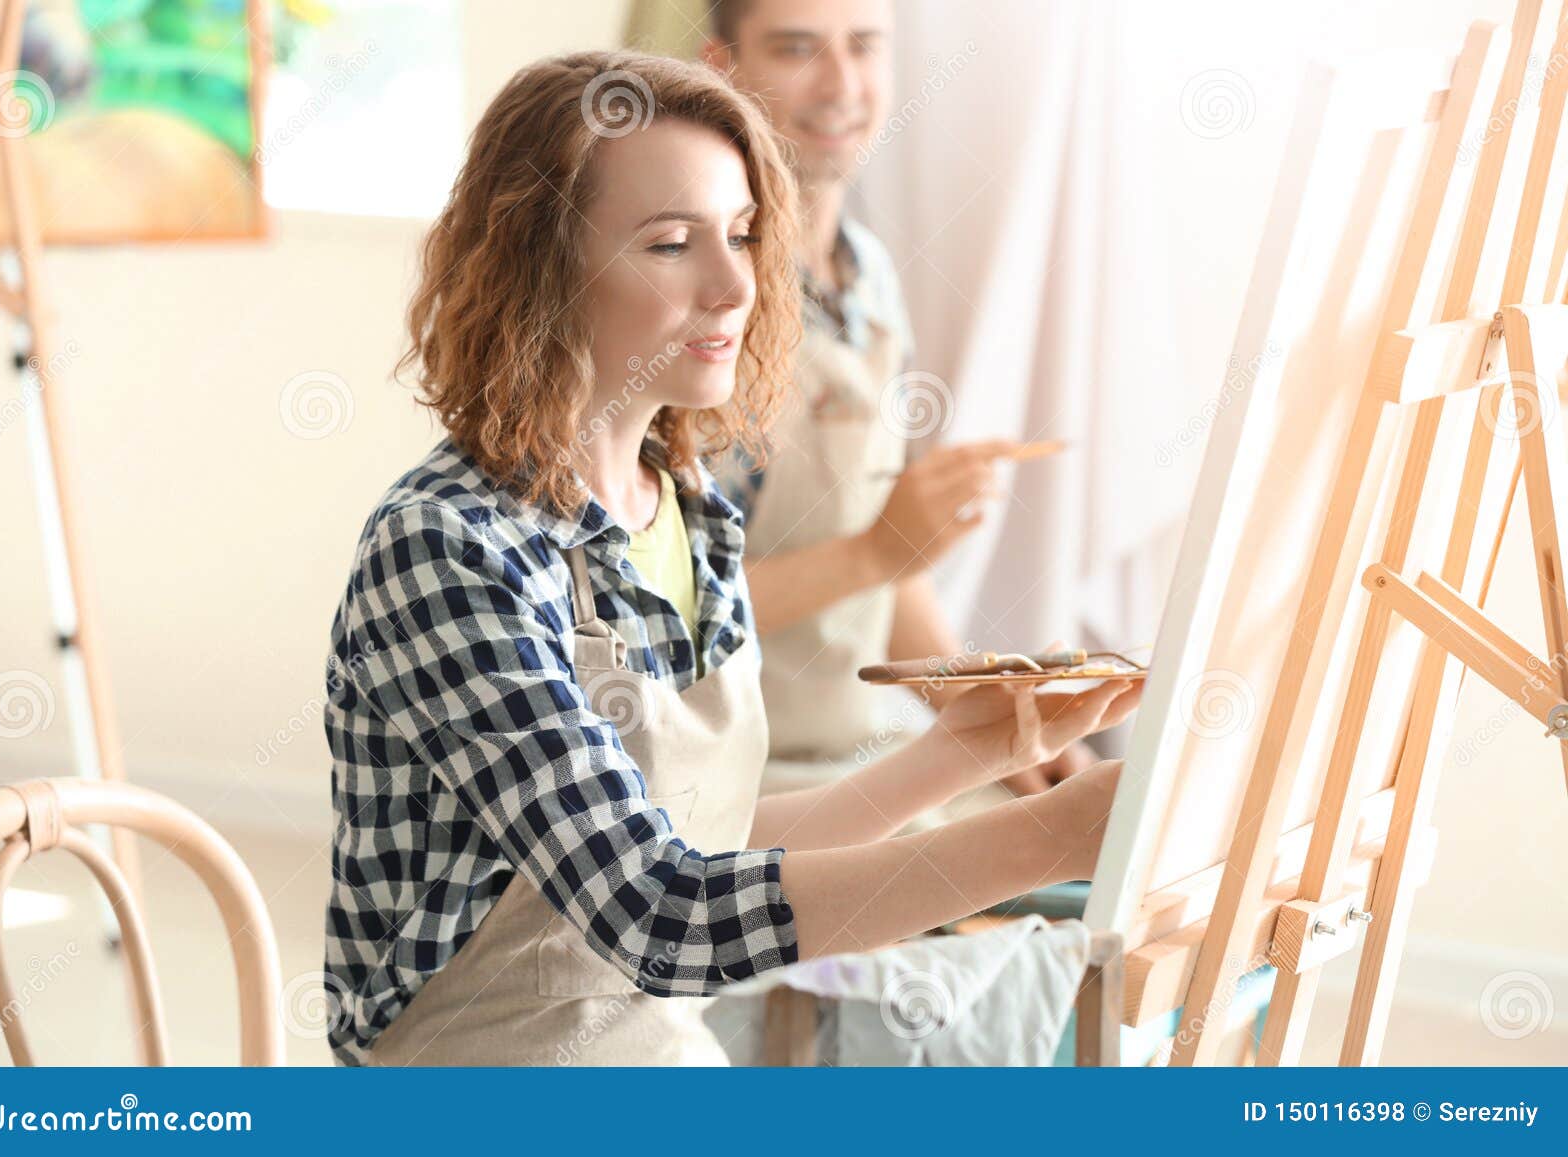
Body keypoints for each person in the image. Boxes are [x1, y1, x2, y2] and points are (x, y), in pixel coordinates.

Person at [321, 50, 1138, 1067]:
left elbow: (715, 832)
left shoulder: (690, 510)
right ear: (540, 263)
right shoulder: (445, 550)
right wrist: (1052, 835)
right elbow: (660, 913)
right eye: (671, 244)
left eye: (744, 235)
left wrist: (973, 750)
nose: (734, 284)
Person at [701, 0, 1092, 800]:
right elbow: (666, 615)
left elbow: (889, 559)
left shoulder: (869, 274)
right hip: (737, 787)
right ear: (723, 70)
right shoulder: (705, 297)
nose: (842, 83)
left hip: (863, 755)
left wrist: (985, 709)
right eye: (798, 48)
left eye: (865, 47)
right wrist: (878, 551)